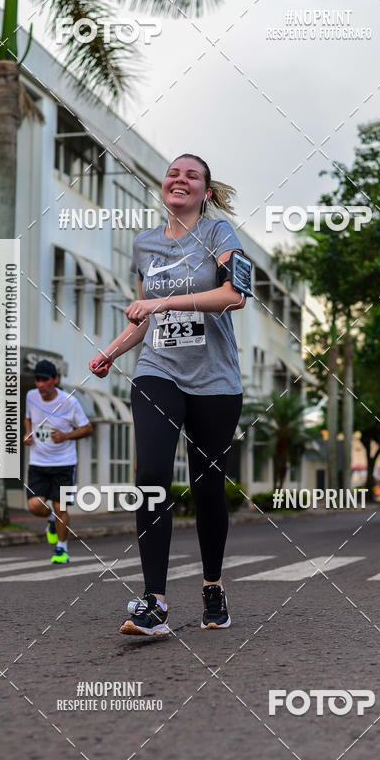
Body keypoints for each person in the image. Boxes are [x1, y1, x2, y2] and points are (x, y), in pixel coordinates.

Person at [89, 153, 248, 635]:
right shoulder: (145, 245)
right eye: (173, 173)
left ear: (206, 191)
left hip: (216, 380)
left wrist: (161, 301)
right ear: (164, 186)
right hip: (158, 370)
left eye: (192, 175)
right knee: (153, 471)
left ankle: (212, 585)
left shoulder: (220, 235)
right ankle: (153, 601)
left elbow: (233, 296)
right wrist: (113, 351)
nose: (180, 179)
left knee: (207, 487)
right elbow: (143, 319)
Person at [24, 360, 93, 563]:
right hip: (38, 462)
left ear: (55, 379)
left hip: (64, 463)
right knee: (34, 506)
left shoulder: (70, 401)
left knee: (61, 507)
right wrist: (28, 433)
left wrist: (65, 436)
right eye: (37, 380)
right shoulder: (30, 396)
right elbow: (28, 417)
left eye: (45, 379)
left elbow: (87, 428)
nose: (40, 384)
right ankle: (51, 519)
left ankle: (61, 549)